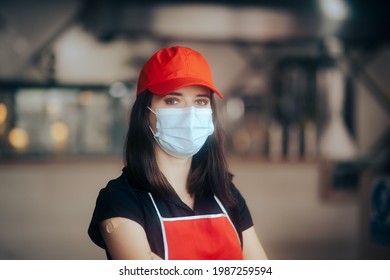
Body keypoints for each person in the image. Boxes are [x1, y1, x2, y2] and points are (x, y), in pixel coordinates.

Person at [88, 46, 267, 260]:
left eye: (200, 101)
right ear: (145, 113)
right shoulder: (122, 200)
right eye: (172, 100)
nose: (189, 114)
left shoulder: (226, 193)